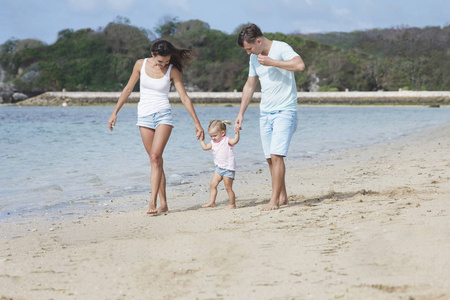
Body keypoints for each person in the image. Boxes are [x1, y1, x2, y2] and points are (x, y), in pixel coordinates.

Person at [108, 40, 204, 214]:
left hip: (163, 116)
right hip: (144, 116)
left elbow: (184, 97)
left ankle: (151, 203)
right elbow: (128, 89)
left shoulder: (172, 71)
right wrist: (115, 112)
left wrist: (196, 122)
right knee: (156, 162)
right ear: (153, 55)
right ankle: (164, 203)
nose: (163, 64)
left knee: (155, 156)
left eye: (167, 61)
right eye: (161, 61)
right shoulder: (140, 64)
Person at [234, 24, 305, 211]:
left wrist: (273, 62)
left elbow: (299, 65)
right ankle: (283, 196)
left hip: (285, 111)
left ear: (258, 41)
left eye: (249, 48)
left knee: (276, 155)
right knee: (269, 159)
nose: (248, 53)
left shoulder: (281, 48)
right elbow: (250, 86)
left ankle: (273, 201)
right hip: (265, 113)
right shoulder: (254, 59)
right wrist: (241, 113)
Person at [200, 120, 240, 209]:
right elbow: (205, 147)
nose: (213, 138)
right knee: (212, 184)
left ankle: (232, 204)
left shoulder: (226, 140)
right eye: (211, 136)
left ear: (222, 133)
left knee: (228, 188)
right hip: (219, 168)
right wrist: (201, 140)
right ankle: (211, 202)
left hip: (228, 168)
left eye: (215, 135)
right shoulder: (213, 142)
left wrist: (237, 133)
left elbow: (235, 141)